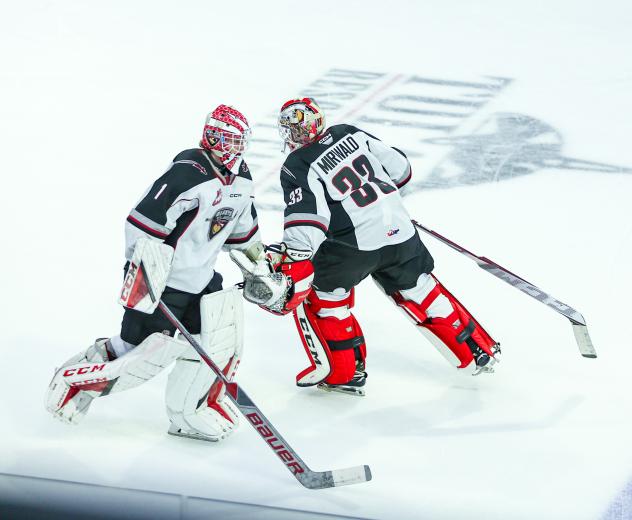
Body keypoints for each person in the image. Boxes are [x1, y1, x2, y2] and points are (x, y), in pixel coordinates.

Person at [235, 98, 500, 397]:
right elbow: (401, 170)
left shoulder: (298, 163)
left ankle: (344, 373)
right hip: (401, 235)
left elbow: (308, 220)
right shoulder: (350, 132)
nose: (296, 137)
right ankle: (477, 349)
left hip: (353, 249)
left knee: (323, 296)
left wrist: (294, 257)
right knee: (422, 289)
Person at [46, 105, 264, 440]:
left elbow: (242, 234)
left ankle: (189, 412)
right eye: (226, 139)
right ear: (211, 136)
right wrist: (144, 280)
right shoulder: (187, 173)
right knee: (137, 355)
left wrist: (261, 268)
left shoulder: (243, 179)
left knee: (216, 344)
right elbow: (142, 225)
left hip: (203, 281)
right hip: (164, 283)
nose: (232, 148)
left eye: (238, 141)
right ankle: (72, 383)